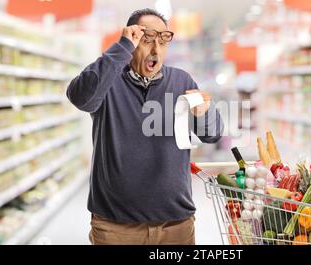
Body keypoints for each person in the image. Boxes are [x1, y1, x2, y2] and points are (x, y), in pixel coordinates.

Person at [66, 8, 224, 245]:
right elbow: (80, 97)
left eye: (162, 40)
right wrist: (121, 48)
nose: (155, 49)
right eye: (146, 40)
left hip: (175, 225)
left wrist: (205, 113)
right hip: (114, 226)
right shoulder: (109, 80)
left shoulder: (181, 81)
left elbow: (212, 135)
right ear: (132, 41)